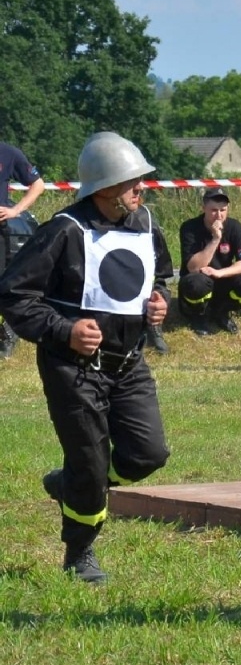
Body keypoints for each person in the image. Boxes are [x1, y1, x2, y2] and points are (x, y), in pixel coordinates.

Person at [0, 132, 173, 583]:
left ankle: (72, 483)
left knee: (148, 454)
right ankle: (80, 552)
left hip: (129, 363)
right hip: (72, 369)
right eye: (132, 180)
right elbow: (15, 296)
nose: (141, 188)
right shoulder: (62, 230)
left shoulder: (146, 223)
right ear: (105, 188)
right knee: (91, 465)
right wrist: (65, 330)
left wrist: (159, 302)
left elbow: (162, 279)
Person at [177, 190, 241, 334]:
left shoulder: (235, 227)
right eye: (214, 210)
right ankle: (198, 315)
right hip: (198, 280)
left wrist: (219, 273)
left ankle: (223, 311)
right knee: (196, 283)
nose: (219, 215)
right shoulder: (189, 228)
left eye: (223, 210)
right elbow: (193, 267)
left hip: (222, 279)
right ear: (203, 208)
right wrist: (215, 239)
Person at [0, 138, 45, 358]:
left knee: (3, 285)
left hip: (0, 231)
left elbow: (38, 185)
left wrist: (15, 210)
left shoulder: (8, 153)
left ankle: (8, 333)